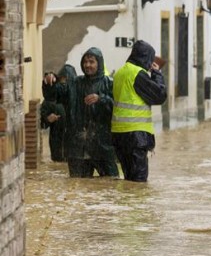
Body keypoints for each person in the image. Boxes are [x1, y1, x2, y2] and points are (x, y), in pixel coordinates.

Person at [43, 47, 119, 178]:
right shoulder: (75, 83)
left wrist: (101, 99)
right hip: (77, 148)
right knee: (78, 186)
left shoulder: (108, 84)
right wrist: (50, 82)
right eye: (85, 62)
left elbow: (117, 108)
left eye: (91, 62)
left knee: (111, 183)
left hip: (103, 146)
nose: (87, 65)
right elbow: (54, 96)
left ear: (99, 63)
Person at [111, 40, 167, 182]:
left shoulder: (120, 73)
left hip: (119, 135)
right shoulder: (137, 74)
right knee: (139, 183)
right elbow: (159, 96)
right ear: (146, 58)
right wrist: (157, 74)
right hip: (136, 135)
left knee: (129, 180)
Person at [40, 64, 76, 162]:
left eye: (67, 80)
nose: (64, 84)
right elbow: (41, 124)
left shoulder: (78, 99)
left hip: (74, 153)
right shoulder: (51, 100)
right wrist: (47, 119)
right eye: (62, 80)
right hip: (57, 153)